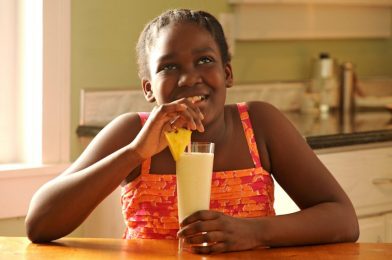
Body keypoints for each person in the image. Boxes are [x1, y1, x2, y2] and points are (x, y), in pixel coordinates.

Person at [25, 8, 359, 254]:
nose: (189, 78)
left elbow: (343, 219)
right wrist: (134, 154)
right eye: (169, 67)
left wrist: (255, 232)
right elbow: (40, 224)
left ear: (227, 73)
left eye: (204, 61)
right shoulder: (131, 132)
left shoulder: (259, 125)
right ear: (149, 89)